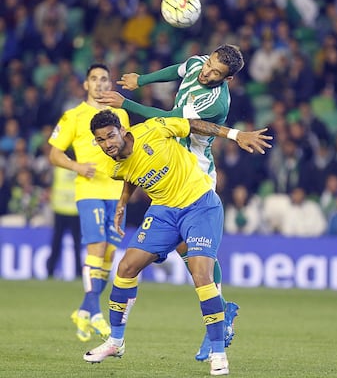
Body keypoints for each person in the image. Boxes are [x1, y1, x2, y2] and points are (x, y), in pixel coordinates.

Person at [83, 110, 272, 376]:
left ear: (123, 131)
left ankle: (218, 353)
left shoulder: (154, 129)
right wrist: (122, 203)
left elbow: (193, 125)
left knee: (201, 275)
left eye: (110, 136)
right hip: (163, 212)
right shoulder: (110, 164)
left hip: (199, 205)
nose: (107, 144)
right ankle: (115, 341)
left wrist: (235, 134)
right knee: (125, 268)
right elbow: (130, 173)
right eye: (100, 140)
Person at [96, 43, 245, 361]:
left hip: (193, 170)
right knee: (186, 257)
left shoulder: (214, 100)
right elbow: (179, 69)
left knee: (196, 261)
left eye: (216, 74)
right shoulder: (197, 65)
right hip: (164, 169)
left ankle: (217, 324)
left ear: (227, 79)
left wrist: (127, 102)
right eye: (209, 66)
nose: (207, 73)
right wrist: (144, 79)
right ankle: (222, 310)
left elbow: (169, 119)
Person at [48, 63, 130, 342]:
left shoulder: (120, 115)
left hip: (117, 193)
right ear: (86, 85)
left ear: (110, 84)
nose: (99, 83)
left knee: (108, 256)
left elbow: (128, 150)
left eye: (104, 79)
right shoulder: (74, 116)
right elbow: (54, 154)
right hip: (90, 191)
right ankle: (96, 312)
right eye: (94, 79)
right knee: (96, 248)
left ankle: (84, 310)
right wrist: (77, 167)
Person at [46, 162, 82, 278]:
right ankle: (78, 272)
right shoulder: (80, 168)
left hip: (61, 209)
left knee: (56, 243)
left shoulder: (58, 168)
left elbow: (49, 185)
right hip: (74, 210)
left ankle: (50, 270)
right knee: (76, 245)